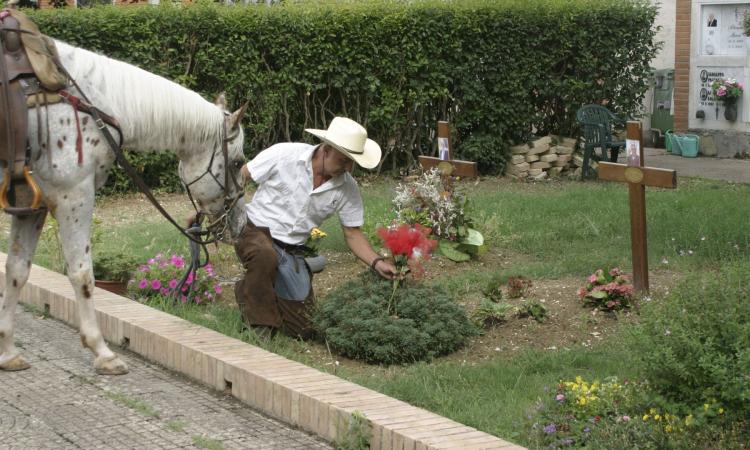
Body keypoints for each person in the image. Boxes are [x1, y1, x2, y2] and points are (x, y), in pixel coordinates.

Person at [234, 117, 398, 338]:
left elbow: (352, 233)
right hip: (254, 229)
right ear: (326, 149)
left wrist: (377, 262)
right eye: (344, 160)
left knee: (303, 328)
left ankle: (251, 286)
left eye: (352, 163)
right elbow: (240, 177)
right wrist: (207, 209)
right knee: (265, 255)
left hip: (292, 248)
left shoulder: (347, 188)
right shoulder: (284, 155)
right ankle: (260, 325)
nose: (348, 168)